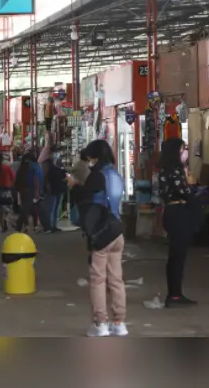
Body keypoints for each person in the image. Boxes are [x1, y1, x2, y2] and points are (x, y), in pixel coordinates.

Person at [79, 140, 127, 337]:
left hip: (102, 232)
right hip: (117, 231)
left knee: (98, 279)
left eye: (90, 158)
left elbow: (86, 201)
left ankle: (100, 323)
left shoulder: (97, 176)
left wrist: (75, 186)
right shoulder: (117, 175)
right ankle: (119, 322)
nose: (89, 162)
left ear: (96, 157)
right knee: (116, 279)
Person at [157, 138, 199, 308]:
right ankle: (174, 295)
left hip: (172, 213)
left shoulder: (165, 170)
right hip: (178, 214)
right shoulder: (173, 171)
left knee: (176, 256)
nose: (186, 152)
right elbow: (185, 192)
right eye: (183, 149)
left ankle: (175, 293)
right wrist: (191, 185)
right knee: (178, 256)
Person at [13, 150, 43, 233]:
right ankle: (22, 224)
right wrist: (37, 192)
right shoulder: (35, 166)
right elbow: (36, 179)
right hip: (31, 190)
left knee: (27, 208)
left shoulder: (23, 166)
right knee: (29, 208)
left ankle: (24, 224)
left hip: (23, 190)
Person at [43, 152, 69, 233]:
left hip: (57, 189)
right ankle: (50, 226)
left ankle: (53, 226)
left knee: (55, 208)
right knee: (52, 208)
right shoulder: (49, 165)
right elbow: (46, 177)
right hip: (54, 189)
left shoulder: (56, 165)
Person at [68, 149, 91, 226]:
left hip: (77, 187)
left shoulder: (78, 164)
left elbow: (71, 171)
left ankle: (78, 220)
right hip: (83, 188)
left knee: (78, 204)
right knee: (81, 205)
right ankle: (79, 220)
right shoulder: (87, 165)